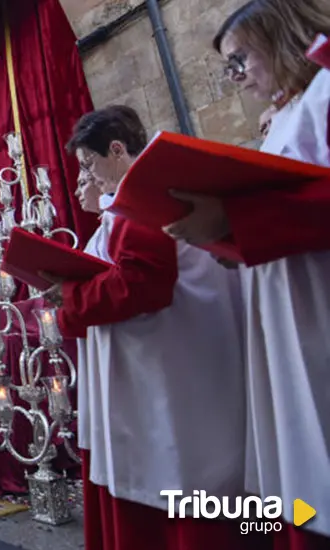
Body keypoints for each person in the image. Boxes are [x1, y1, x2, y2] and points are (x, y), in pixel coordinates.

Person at [164, 1, 330, 545]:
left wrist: (235, 217)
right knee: (302, 464)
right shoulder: (289, 112)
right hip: (289, 312)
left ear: (281, 38)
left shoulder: (326, 91)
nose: (237, 79)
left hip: (319, 308)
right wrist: (222, 237)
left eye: (240, 61)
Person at [47, 106, 250, 550]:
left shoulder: (142, 195)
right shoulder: (142, 195)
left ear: (116, 149)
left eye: (89, 164)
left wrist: (69, 300)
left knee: (183, 485)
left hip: (171, 373)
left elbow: (141, 284)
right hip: (178, 363)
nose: (89, 177)